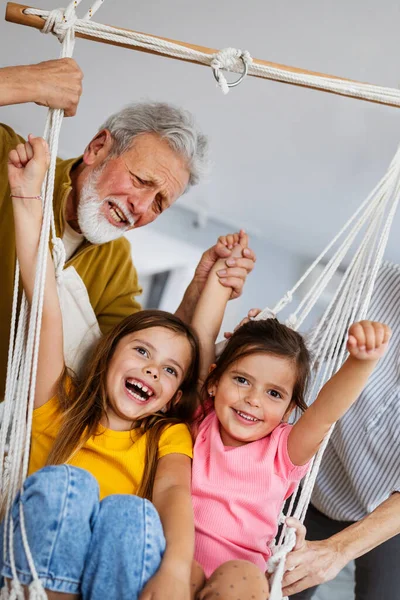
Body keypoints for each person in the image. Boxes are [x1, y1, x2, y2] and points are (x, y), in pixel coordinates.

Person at [1, 134, 234, 599]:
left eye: (170, 372)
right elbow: (45, 302)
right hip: (36, 568)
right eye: (142, 351)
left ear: (176, 395)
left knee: (135, 514)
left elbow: (173, 497)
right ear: (108, 353)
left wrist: (173, 569)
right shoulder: (57, 398)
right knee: (69, 485)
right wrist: (27, 196)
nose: (153, 371)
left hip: (113, 578)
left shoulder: (165, 435)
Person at [0, 67, 256, 396]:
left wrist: (196, 293)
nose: (140, 207)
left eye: (159, 203)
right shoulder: (11, 161)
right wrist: (24, 82)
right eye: (140, 181)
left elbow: (121, 365)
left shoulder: (117, 265)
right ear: (97, 148)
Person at [184, 233, 392, 600]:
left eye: (274, 394)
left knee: (239, 582)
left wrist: (361, 363)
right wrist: (221, 277)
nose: (252, 400)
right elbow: (201, 341)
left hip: (239, 579)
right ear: (214, 381)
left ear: (289, 410)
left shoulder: (283, 451)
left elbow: (327, 412)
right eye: (242, 380)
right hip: (177, 560)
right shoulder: (201, 418)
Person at [282, 262, 400, 600]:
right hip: (309, 486)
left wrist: (337, 551)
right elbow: (309, 359)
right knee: (274, 588)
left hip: (388, 512)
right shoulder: (377, 277)